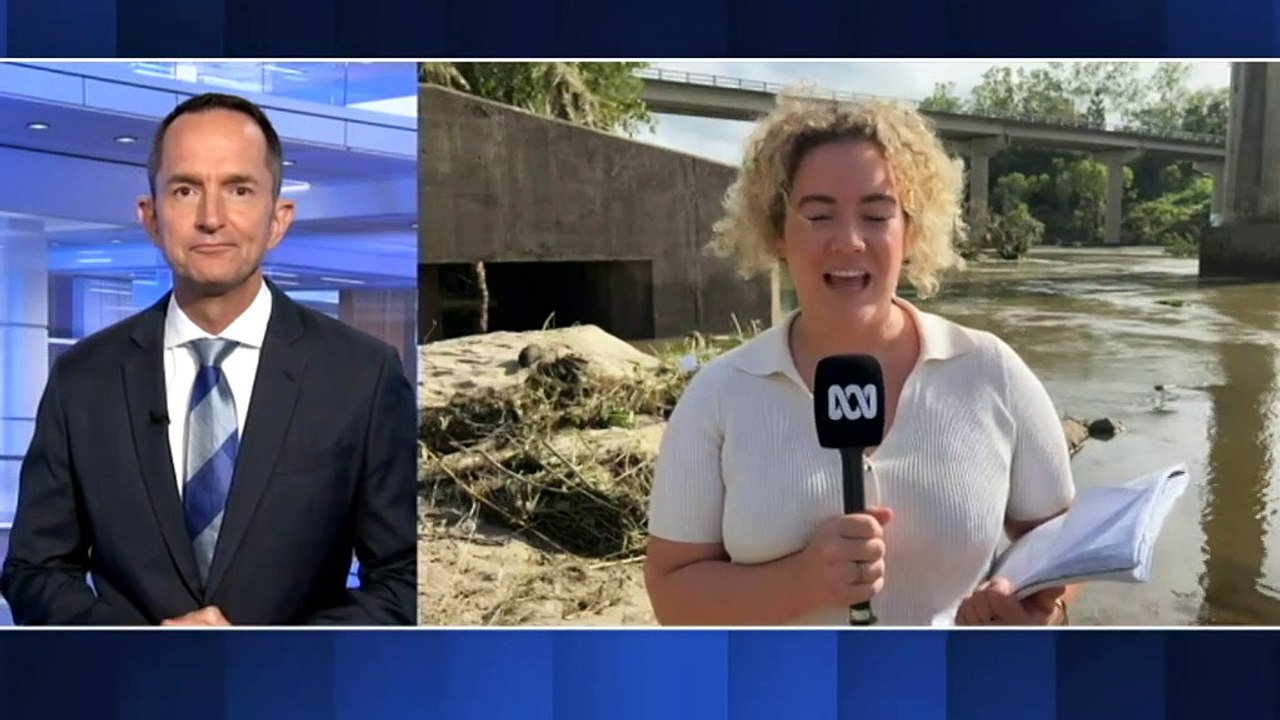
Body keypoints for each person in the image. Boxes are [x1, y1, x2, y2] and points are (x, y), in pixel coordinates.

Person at [643, 93, 1078, 626]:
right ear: (777, 232)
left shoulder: (991, 371)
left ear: (911, 233)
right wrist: (801, 579)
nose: (849, 242)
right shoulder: (719, 393)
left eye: (876, 215)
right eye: (819, 215)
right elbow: (671, 594)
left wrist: (1042, 612)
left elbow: (1066, 542)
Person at [0, 93, 417, 626]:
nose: (211, 217)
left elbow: (407, 575)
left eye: (239, 189)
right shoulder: (84, 378)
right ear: (150, 216)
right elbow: (34, 570)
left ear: (277, 218)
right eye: (185, 190)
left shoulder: (362, 375)